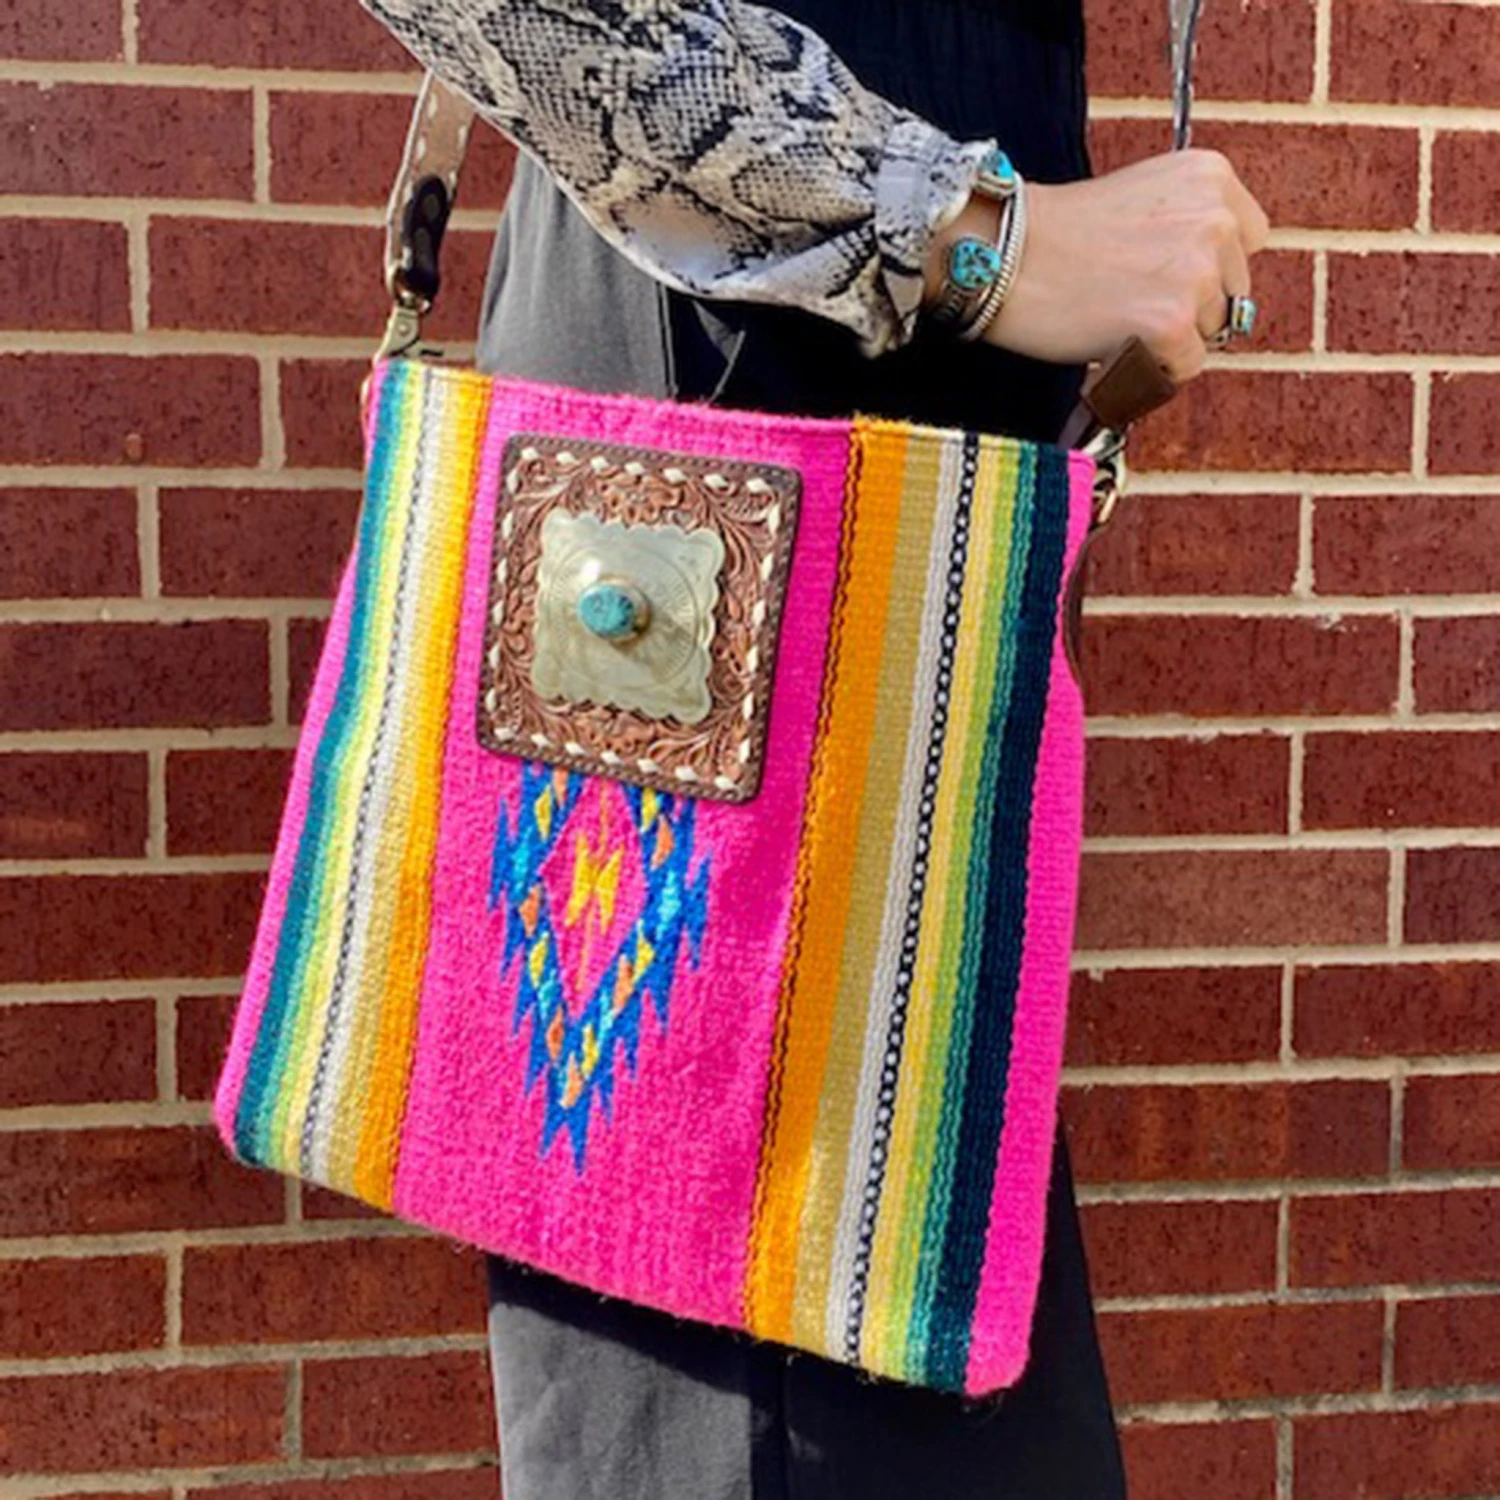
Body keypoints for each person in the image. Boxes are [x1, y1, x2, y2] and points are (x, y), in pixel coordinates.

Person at [360, 1, 1270, 1496]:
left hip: (912, 302)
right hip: (733, 325)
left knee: (908, 1273)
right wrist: (968, 234)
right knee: (772, 1352)